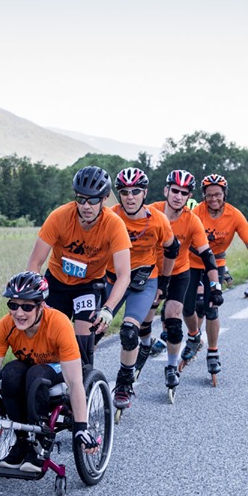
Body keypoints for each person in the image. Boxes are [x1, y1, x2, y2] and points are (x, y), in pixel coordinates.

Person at [0, 272, 98, 473]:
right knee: (8, 373)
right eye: (13, 305)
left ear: (41, 305)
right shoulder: (5, 326)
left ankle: (40, 442)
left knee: (36, 376)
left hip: (56, 368)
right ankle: (22, 440)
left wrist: (81, 428)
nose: (19, 313)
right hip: (28, 366)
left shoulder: (59, 324)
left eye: (26, 307)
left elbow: (75, 381)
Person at [26, 165, 132, 366]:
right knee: (48, 336)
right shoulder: (59, 216)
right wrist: (38, 297)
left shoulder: (114, 224)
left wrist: (108, 309)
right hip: (56, 282)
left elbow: (123, 275)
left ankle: (81, 381)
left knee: (83, 336)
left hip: (88, 285)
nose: (86, 206)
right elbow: (34, 263)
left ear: (104, 198)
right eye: (81, 199)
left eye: (93, 200)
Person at [134, 169, 219, 390]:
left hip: (180, 272)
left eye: (183, 193)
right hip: (152, 271)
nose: (178, 196)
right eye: (174, 191)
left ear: (189, 196)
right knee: (145, 320)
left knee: (173, 319)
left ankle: (171, 367)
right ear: (166, 190)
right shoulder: (150, 212)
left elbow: (207, 255)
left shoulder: (192, 221)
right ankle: (144, 346)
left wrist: (215, 285)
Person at [105, 167, 177, 410]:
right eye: (124, 192)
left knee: (129, 332)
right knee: (91, 331)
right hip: (113, 278)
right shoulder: (110, 216)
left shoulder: (158, 220)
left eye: (136, 191)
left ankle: (124, 383)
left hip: (143, 281)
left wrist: (164, 284)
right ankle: (81, 379)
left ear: (144, 193)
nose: (130, 197)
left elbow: (172, 249)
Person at [183, 173, 248, 378]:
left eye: (217, 195)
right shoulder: (195, 212)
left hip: (216, 264)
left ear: (224, 194)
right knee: (187, 307)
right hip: (192, 262)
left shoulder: (235, 215)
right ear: (203, 195)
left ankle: (213, 352)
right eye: (209, 195)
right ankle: (194, 337)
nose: (213, 199)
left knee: (211, 308)